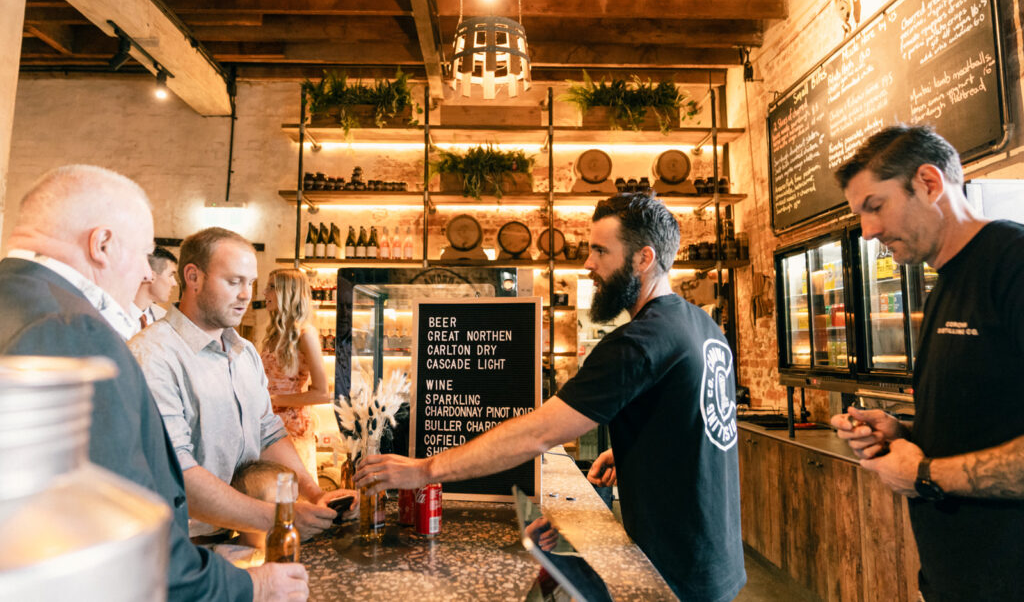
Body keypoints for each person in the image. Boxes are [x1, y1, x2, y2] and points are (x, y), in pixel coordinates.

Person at [355, 192, 747, 601]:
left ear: (643, 259)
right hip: (714, 555)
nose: (588, 264)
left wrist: (423, 471)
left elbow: (536, 435)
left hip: (673, 572)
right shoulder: (700, 325)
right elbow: (699, 417)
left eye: (600, 251)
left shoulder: (638, 342)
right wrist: (633, 449)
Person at [0, 165, 308, 601]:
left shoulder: (14, 296)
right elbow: (120, 516)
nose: (148, 274)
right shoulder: (69, 326)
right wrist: (246, 587)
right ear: (102, 243)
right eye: (145, 254)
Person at [830, 125, 1024, 601]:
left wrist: (924, 475)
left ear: (930, 183)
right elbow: (986, 422)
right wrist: (903, 434)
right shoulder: (945, 282)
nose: (869, 231)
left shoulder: (1012, 263)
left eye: (875, 206)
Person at [130, 227, 355, 543]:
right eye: (234, 281)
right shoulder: (152, 355)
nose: (247, 294)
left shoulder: (244, 352)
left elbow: (269, 432)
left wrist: (315, 493)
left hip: (240, 536)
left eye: (251, 283)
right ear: (193, 277)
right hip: (184, 544)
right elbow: (175, 471)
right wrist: (278, 518)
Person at [261, 269, 332, 479]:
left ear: (288, 293)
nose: (265, 292)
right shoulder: (272, 334)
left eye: (272, 287)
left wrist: (274, 400)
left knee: (292, 490)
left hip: (292, 428)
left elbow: (322, 393)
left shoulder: (305, 334)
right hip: (268, 421)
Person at [131, 245, 178, 334]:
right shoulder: (110, 317)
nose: (174, 283)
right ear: (151, 276)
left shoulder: (164, 318)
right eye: (171, 275)